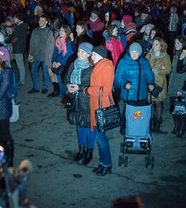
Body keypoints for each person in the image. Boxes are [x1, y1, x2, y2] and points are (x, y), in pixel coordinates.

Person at [83, 46, 115, 176]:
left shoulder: (106, 66)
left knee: (101, 137)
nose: (92, 57)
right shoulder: (98, 65)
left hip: (101, 106)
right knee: (98, 136)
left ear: (101, 55)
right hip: (96, 105)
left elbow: (105, 90)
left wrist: (88, 90)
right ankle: (102, 163)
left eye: (94, 54)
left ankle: (107, 164)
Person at [65, 42, 95, 165]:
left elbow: (94, 86)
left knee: (88, 127)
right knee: (79, 126)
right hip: (75, 100)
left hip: (87, 101)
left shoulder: (92, 67)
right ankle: (81, 150)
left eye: (82, 52)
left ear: (88, 54)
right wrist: (68, 85)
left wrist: (79, 87)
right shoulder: (74, 64)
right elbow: (67, 78)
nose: (79, 54)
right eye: (78, 51)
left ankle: (89, 152)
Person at [114, 42, 155, 133]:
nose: (133, 54)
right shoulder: (123, 62)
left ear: (140, 53)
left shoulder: (144, 62)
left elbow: (149, 74)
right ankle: (124, 128)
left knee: (139, 114)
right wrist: (124, 83)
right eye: (132, 52)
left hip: (142, 94)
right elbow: (118, 76)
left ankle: (138, 129)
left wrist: (150, 83)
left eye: (136, 52)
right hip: (129, 94)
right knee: (128, 113)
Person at [146, 37, 172, 133]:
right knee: (150, 102)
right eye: (153, 44)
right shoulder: (149, 55)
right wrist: (160, 67)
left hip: (160, 83)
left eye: (156, 44)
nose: (154, 46)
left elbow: (168, 69)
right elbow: (146, 67)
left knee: (158, 103)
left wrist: (157, 70)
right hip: (149, 82)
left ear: (161, 46)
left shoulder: (166, 57)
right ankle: (151, 121)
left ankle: (158, 121)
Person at [169, 36, 186, 136]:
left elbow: (184, 74)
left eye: (178, 43)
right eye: (175, 43)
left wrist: (180, 88)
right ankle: (176, 126)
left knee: (182, 108)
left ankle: (182, 128)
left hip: (180, 85)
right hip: (173, 83)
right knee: (174, 106)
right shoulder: (175, 55)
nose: (176, 45)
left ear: (183, 44)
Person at [28, 15, 52, 94]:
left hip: (45, 56)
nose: (40, 22)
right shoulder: (35, 31)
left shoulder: (49, 31)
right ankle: (36, 87)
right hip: (35, 55)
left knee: (45, 72)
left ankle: (45, 87)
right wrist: (30, 55)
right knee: (33, 71)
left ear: (46, 22)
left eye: (42, 20)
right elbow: (31, 43)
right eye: (39, 20)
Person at [50, 24, 74, 98]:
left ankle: (65, 97)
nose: (60, 32)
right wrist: (54, 61)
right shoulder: (58, 40)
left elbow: (69, 54)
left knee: (65, 81)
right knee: (60, 81)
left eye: (63, 31)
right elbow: (56, 52)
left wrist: (60, 62)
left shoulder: (68, 41)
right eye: (60, 30)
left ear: (67, 32)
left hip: (66, 64)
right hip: (58, 63)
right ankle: (63, 96)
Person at [7, 13, 28, 87]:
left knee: (20, 65)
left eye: (15, 18)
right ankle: (21, 79)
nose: (14, 19)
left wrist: (7, 41)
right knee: (20, 64)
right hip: (19, 47)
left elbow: (16, 38)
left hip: (18, 47)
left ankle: (22, 81)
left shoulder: (20, 27)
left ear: (19, 19)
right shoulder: (19, 26)